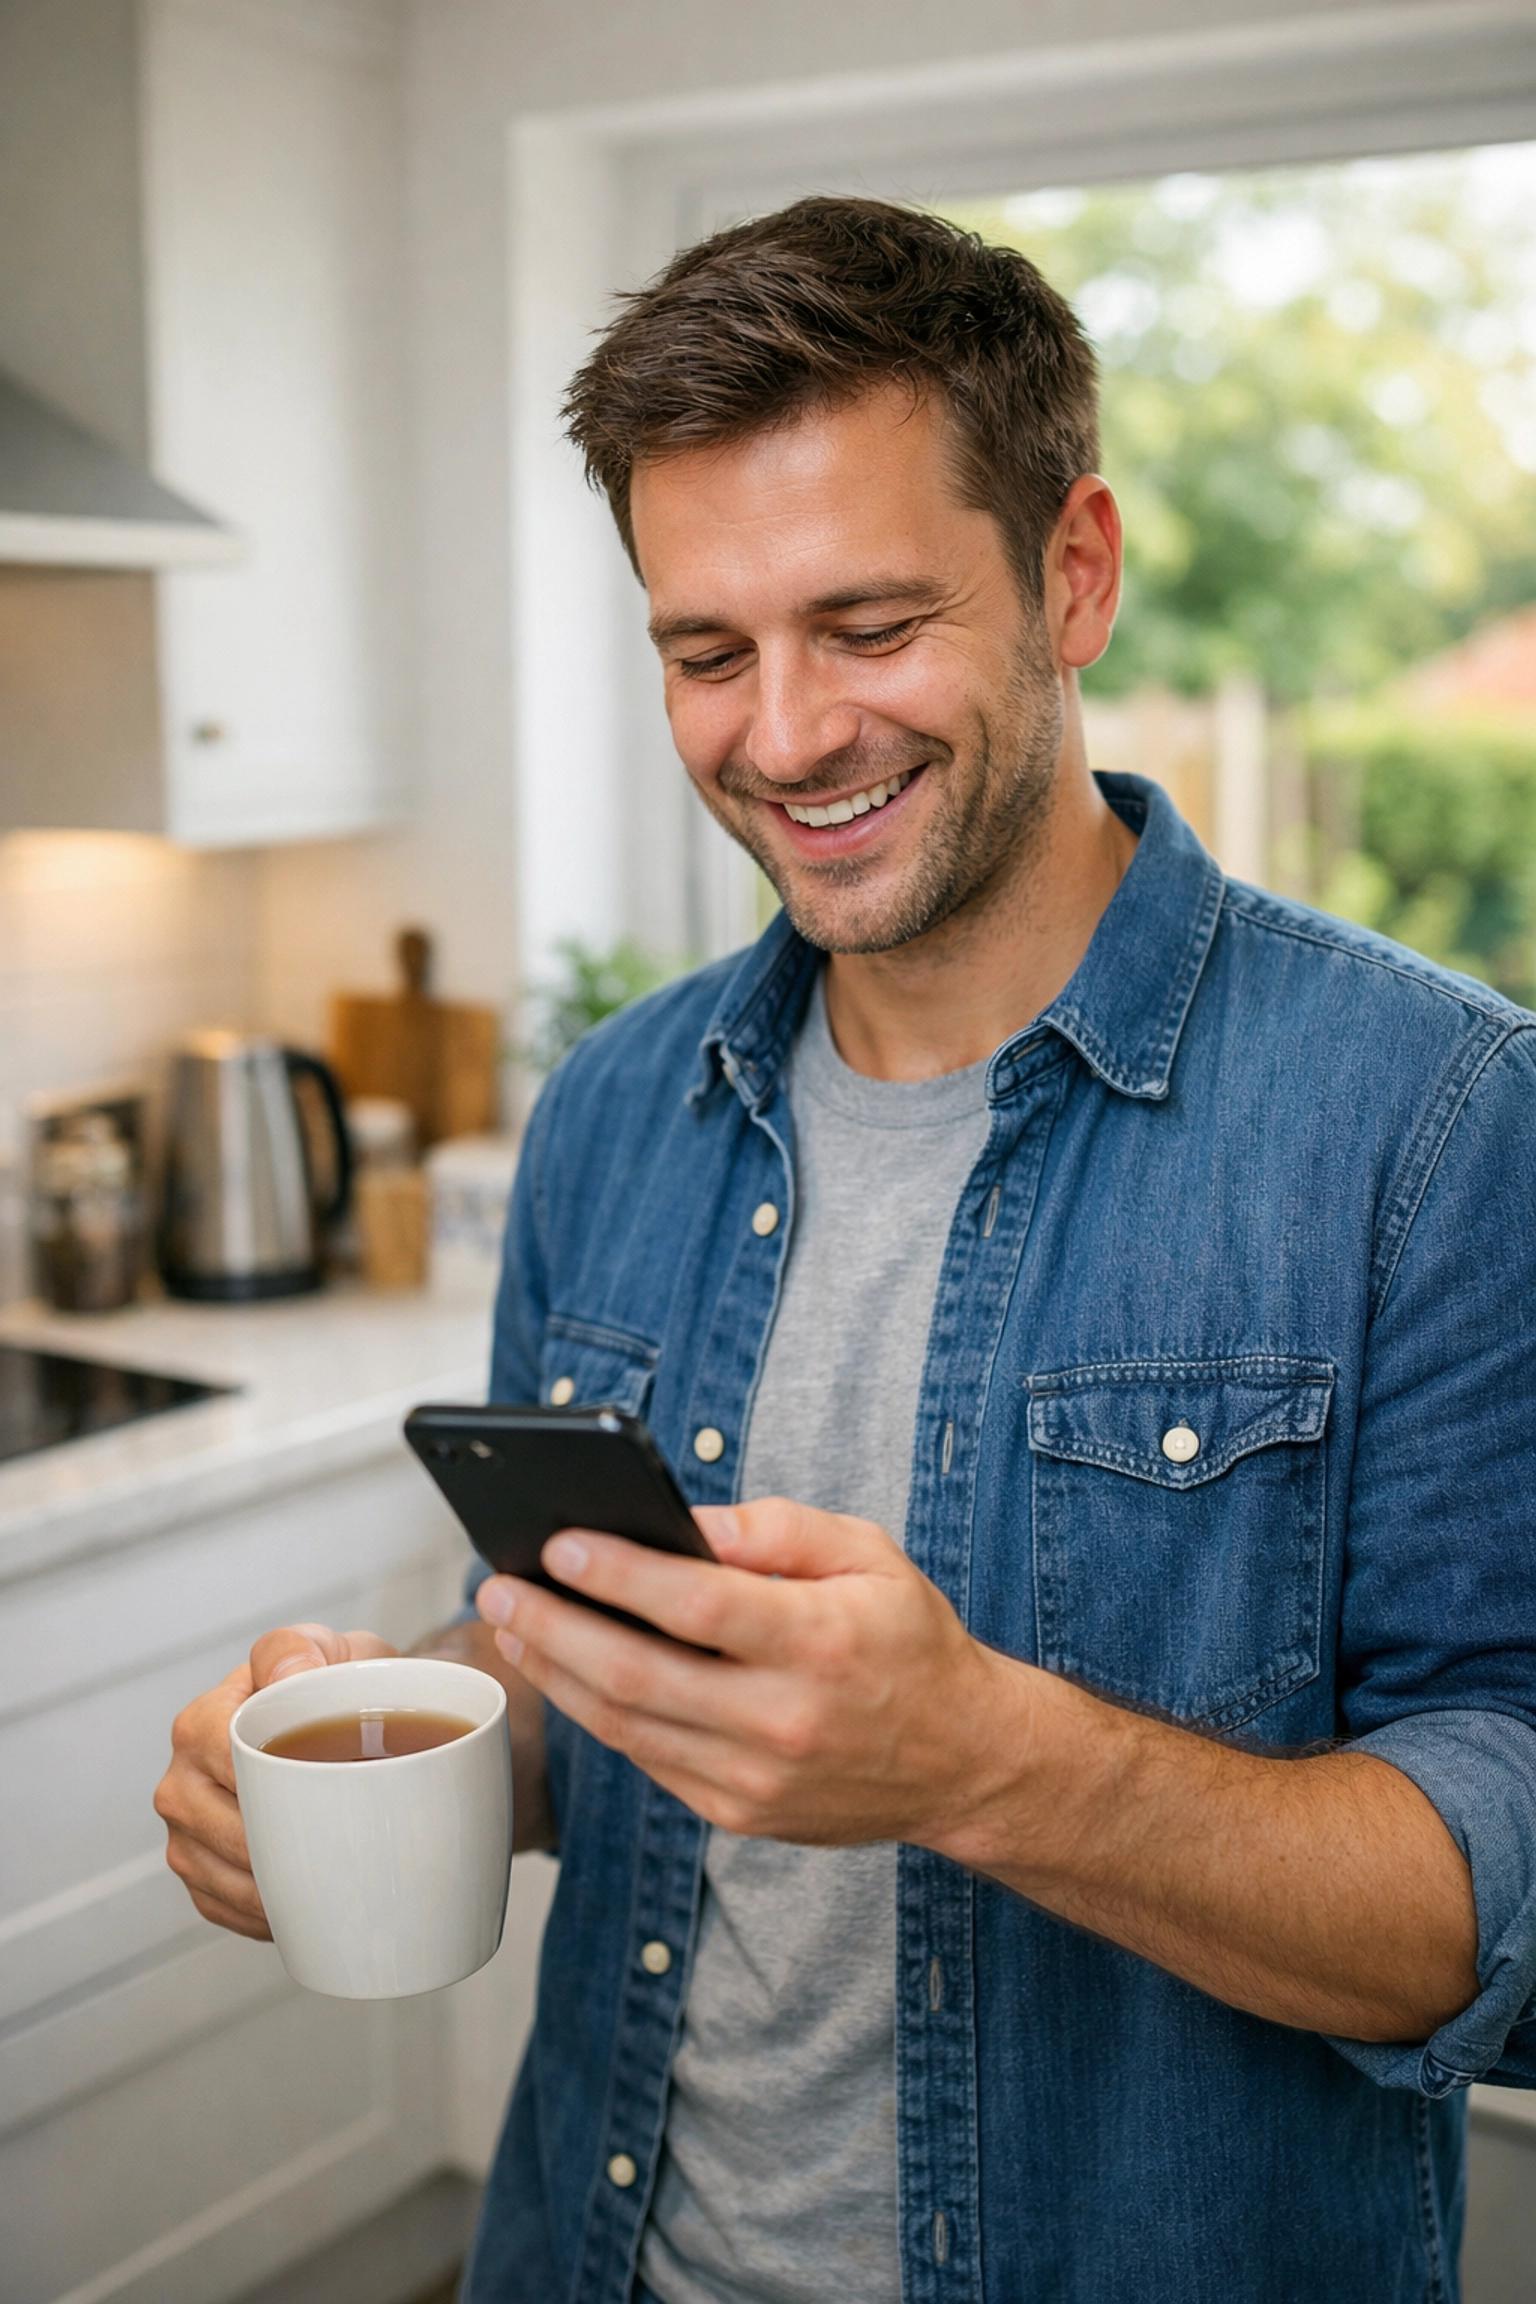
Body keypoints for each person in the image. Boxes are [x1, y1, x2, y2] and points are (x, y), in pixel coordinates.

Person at [156, 198, 1536, 2304]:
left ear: (1074, 574)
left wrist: (984, 1761)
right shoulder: (617, 1110)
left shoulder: (1434, 1120)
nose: (785, 736)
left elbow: (1498, 1898)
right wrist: (412, 1737)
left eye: (869, 626)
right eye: (707, 654)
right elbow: (595, 1674)